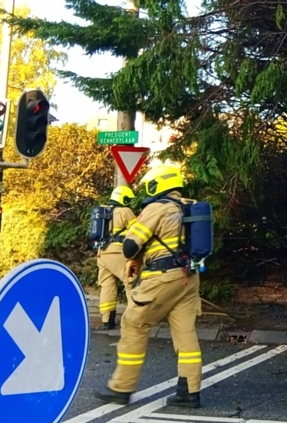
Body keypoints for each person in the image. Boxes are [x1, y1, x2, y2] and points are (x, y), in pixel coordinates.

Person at [95, 164, 203, 409]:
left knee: (133, 323)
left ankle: (121, 388)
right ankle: (189, 391)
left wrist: (135, 254)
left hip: (162, 277)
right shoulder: (190, 206)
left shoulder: (158, 207)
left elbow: (130, 246)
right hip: (188, 277)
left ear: (159, 184)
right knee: (185, 334)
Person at [96, 185, 137, 330]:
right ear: (123, 198)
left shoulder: (102, 212)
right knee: (131, 281)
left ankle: (107, 320)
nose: (129, 202)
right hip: (117, 253)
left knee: (107, 286)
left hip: (101, 254)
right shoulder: (125, 211)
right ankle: (135, 318)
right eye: (128, 199)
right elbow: (137, 232)